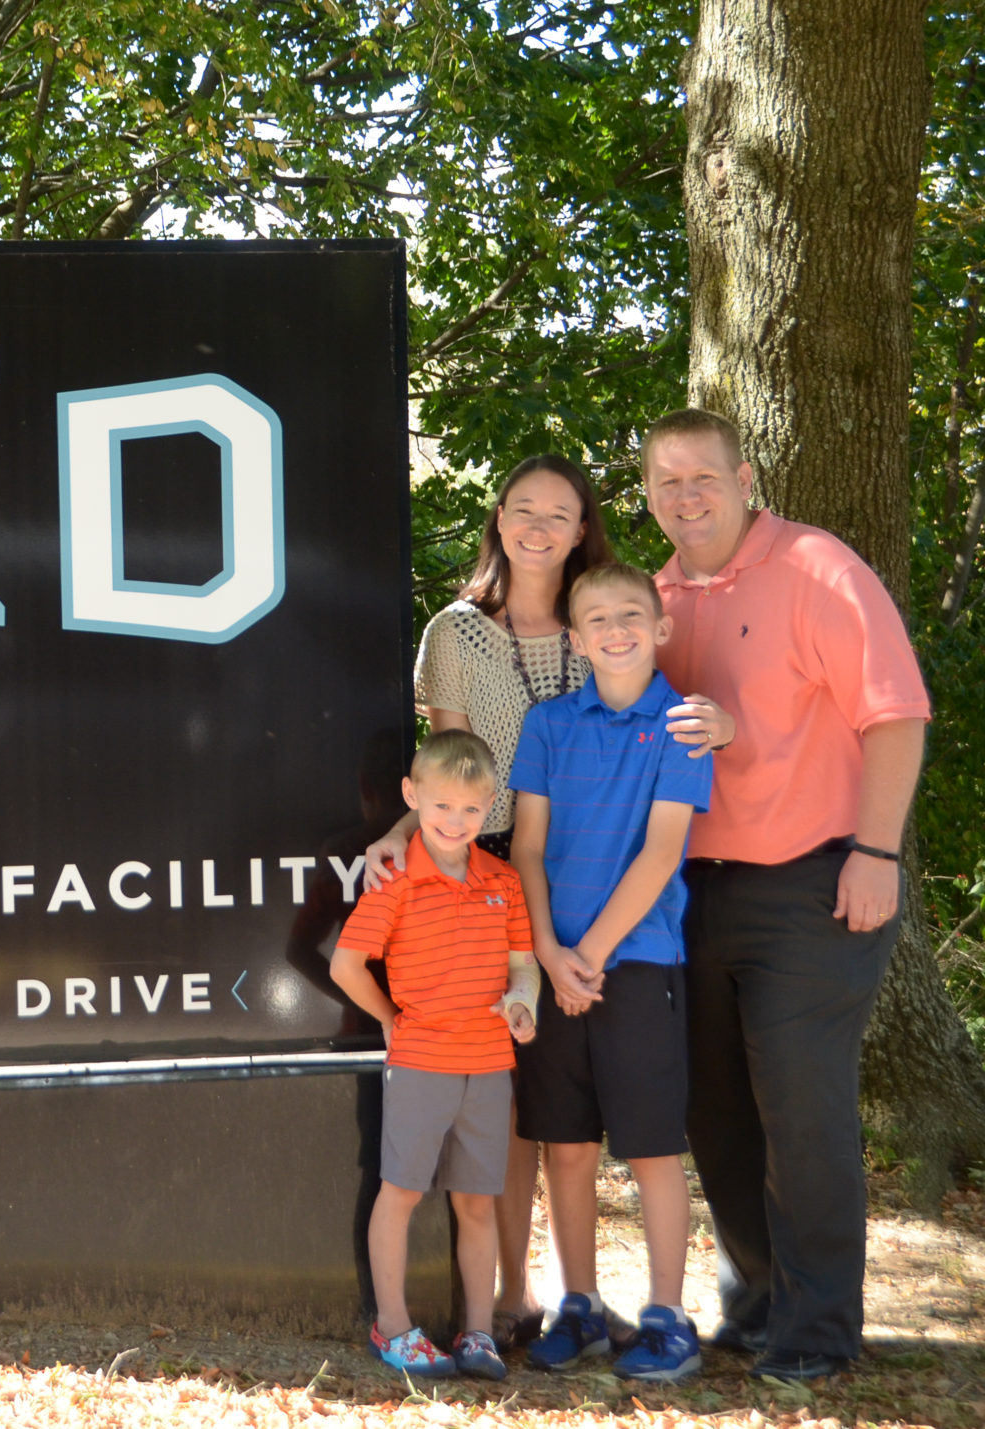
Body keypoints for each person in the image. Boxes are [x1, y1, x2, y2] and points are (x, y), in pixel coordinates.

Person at [365, 454, 732, 1349]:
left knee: (554, 1104)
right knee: (516, 1097)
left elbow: (675, 736)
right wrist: (405, 836)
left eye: (558, 513)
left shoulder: (602, 619)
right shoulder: (455, 630)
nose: (537, 526)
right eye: (521, 509)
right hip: (486, 862)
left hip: (594, 884)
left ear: (582, 528)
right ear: (498, 519)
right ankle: (516, 1294)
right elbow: (446, 760)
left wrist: (720, 722)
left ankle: (583, 1297)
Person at [643, 408, 930, 1382]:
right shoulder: (651, 598)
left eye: (701, 479)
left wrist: (875, 853)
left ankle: (816, 1329)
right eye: (664, 482)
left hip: (812, 880)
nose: (684, 497)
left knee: (798, 1106)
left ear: (746, 478)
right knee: (712, 1109)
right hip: (687, 892)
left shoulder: (817, 570)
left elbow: (893, 715)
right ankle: (759, 1302)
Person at [507, 563, 715, 1382]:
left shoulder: (681, 723)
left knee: (653, 1147)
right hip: (555, 964)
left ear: (661, 627)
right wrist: (552, 953)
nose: (616, 628)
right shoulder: (549, 723)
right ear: (575, 637)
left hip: (636, 965)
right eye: (597, 618)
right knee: (565, 1146)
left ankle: (667, 1316)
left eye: (633, 613)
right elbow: (526, 847)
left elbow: (663, 850)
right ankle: (582, 1304)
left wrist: (587, 956)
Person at [332, 729, 541, 1380]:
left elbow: (524, 965)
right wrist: (391, 1018)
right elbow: (346, 965)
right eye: (442, 805)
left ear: (490, 808)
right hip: (422, 1061)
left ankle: (478, 1332)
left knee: (476, 1200)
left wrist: (523, 1004)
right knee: (400, 1191)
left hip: (489, 1064)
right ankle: (392, 1326)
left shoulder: (502, 880)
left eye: (472, 809)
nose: (456, 820)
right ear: (411, 796)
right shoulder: (394, 878)